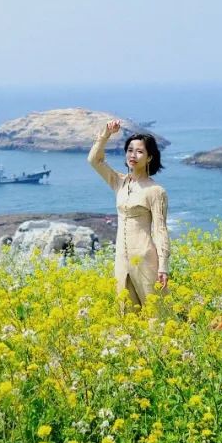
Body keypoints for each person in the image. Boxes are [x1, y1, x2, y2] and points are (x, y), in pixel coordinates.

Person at [88, 119, 170, 307]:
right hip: (121, 260)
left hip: (146, 259)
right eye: (130, 150)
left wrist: (163, 266)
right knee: (126, 314)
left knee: (156, 314)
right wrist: (107, 134)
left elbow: (160, 230)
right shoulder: (120, 182)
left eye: (140, 151)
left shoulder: (156, 191)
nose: (133, 155)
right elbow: (94, 160)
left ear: (149, 158)